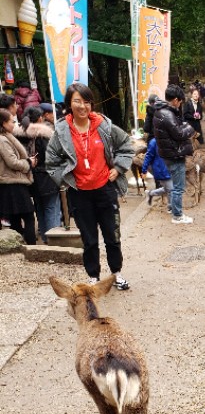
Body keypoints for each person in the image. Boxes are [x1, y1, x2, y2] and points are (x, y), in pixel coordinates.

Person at [45, 83, 134, 288]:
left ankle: (116, 274)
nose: (83, 106)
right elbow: (51, 162)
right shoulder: (61, 131)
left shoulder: (104, 126)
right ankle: (93, 276)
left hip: (105, 189)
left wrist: (118, 168)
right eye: (77, 101)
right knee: (89, 239)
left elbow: (126, 146)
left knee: (112, 235)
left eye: (87, 101)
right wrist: (66, 180)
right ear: (69, 104)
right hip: (80, 193)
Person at [14, 105, 61, 242]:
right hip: (46, 176)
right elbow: (50, 157)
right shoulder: (43, 135)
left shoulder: (19, 136)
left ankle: (45, 236)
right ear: (40, 118)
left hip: (29, 177)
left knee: (40, 207)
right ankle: (54, 239)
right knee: (51, 207)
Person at [152, 84, 196, 224]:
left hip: (168, 153)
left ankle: (173, 209)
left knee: (173, 185)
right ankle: (177, 215)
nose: (181, 104)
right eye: (180, 101)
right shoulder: (167, 114)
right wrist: (189, 127)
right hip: (174, 154)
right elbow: (179, 133)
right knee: (178, 187)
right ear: (176, 100)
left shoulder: (160, 111)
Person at [0, 107, 37, 244]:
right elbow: (12, 162)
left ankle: (21, 245)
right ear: (3, 123)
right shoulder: (2, 140)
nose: (14, 124)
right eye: (11, 121)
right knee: (28, 216)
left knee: (16, 217)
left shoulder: (6, 137)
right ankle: (31, 246)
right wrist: (28, 162)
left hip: (12, 182)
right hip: (12, 182)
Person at [141, 137, 173, 208]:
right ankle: (171, 208)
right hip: (161, 169)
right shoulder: (154, 142)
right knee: (171, 189)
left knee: (167, 188)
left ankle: (150, 193)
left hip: (169, 168)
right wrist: (144, 170)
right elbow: (148, 156)